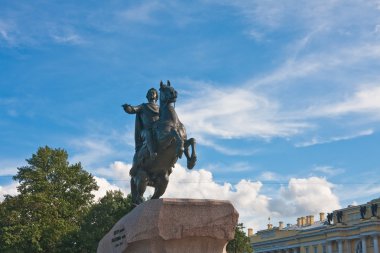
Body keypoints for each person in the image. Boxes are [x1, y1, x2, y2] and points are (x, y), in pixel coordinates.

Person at [123, 88, 159, 175]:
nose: (151, 94)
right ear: (147, 96)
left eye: (153, 93)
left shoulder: (160, 108)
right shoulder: (143, 106)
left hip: (157, 130)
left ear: (156, 96)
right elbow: (133, 109)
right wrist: (128, 108)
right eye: (149, 93)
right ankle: (151, 152)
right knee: (148, 132)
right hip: (146, 131)